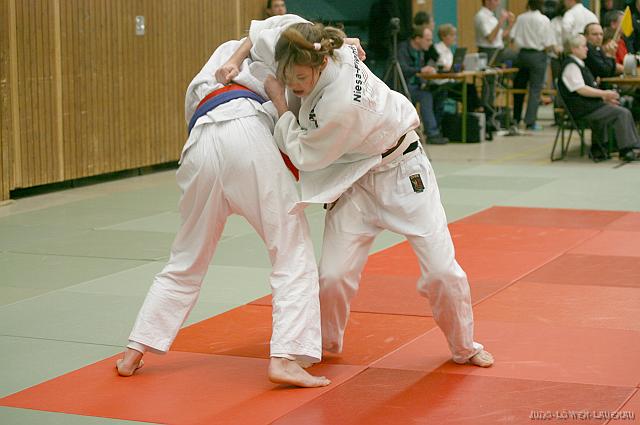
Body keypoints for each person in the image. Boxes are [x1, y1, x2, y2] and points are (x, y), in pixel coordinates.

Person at [222, 18, 494, 368]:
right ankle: (324, 344)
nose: (294, 85)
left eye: (301, 78)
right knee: (332, 276)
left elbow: (303, 153)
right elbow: (259, 33)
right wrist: (234, 61)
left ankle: (464, 346)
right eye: (288, 77)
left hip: (403, 171)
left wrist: (279, 100)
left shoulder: (342, 104)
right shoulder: (318, 46)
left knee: (442, 271)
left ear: (321, 62)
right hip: (352, 180)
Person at [116, 27, 332, 388]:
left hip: (200, 140)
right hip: (249, 134)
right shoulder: (283, 45)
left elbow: (256, 35)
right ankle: (286, 357)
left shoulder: (226, 53)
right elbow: (287, 37)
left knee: (186, 258)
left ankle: (134, 350)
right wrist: (345, 47)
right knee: (291, 251)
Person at [559, 34, 640, 161]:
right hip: (581, 108)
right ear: (574, 49)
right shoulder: (571, 66)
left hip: (587, 105)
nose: (586, 49)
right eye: (583, 46)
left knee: (620, 107)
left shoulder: (579, 64)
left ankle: (603, 147)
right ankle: (627, 150)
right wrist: (604, 94)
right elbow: (581, 89)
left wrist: (604, 98)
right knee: (622, 113)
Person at [398, 26, 449, 144]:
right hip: (401, 87)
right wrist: (421, 70)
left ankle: (435, 129)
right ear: (417, 39)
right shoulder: (402, 49)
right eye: (428, 40)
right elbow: (402, 69)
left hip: (415, 85)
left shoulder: (420, 52)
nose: (430, 43)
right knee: (426, 96)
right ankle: (432, 133)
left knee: (439, 92)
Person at [510, 0, 555, 131]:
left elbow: (512, 37)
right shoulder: (544, 20)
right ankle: (530, 121)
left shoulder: (521, 18)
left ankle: (516, 118)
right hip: (537, 56)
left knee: (519, 87)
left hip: (522, 55)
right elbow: (548, 43)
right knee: (535, 90)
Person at [475, 0, 515, 137]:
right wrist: (501, 21)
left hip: (497, 50)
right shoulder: (481, 16)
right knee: (488, 86)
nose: (498, 2)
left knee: (493, 85)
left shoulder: (492, 16)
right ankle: (488, 117)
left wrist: (510, 24)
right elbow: (491, 38)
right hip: (488, 51)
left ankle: (493, 116)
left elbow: (500, 37)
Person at [432, 24, 481, 122]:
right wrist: (450, 68)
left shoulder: (449, 51)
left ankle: (471, 117)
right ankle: (473, 115)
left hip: (450, 81)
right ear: (444, 36)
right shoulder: (437, 49)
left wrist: (459, 67)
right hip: (441, 83)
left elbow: (451, 67)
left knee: (470, 88)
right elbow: (441, 66)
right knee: (469, 89)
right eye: (452, 35)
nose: (455, 38)